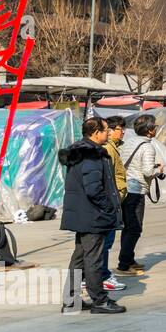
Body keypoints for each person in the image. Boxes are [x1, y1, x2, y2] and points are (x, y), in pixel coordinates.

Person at [59, 117, 124, 314]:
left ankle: (71, 300)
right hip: (93, 215)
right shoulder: (92, 155)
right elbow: (94, 189)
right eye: (105, 130)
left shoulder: (81, 152)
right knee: (93, 259)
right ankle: (99, 300)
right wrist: (108, 208)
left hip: (84, 214)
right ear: (96, 133)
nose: (108, 133)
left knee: (80, 258)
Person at [116, 113, 164, 277]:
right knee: (135, 228)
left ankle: (128, 259)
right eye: (155, 127)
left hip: (126, 187)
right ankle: (124, 264)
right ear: (150, 130)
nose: (156, 129)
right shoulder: (147, 146)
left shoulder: (129, 143)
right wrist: (159, 170)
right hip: (136, 190)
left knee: (128, 227)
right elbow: (148, 171)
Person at [98, 116, 128, 293]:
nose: (121, 132)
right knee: (104, 243)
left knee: (104, 243)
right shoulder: (107, 149)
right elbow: (107, 178)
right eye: (118, 128)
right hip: (109, 202)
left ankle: (99, 275)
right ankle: (102, 276)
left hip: (113, 200)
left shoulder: (112, 148)